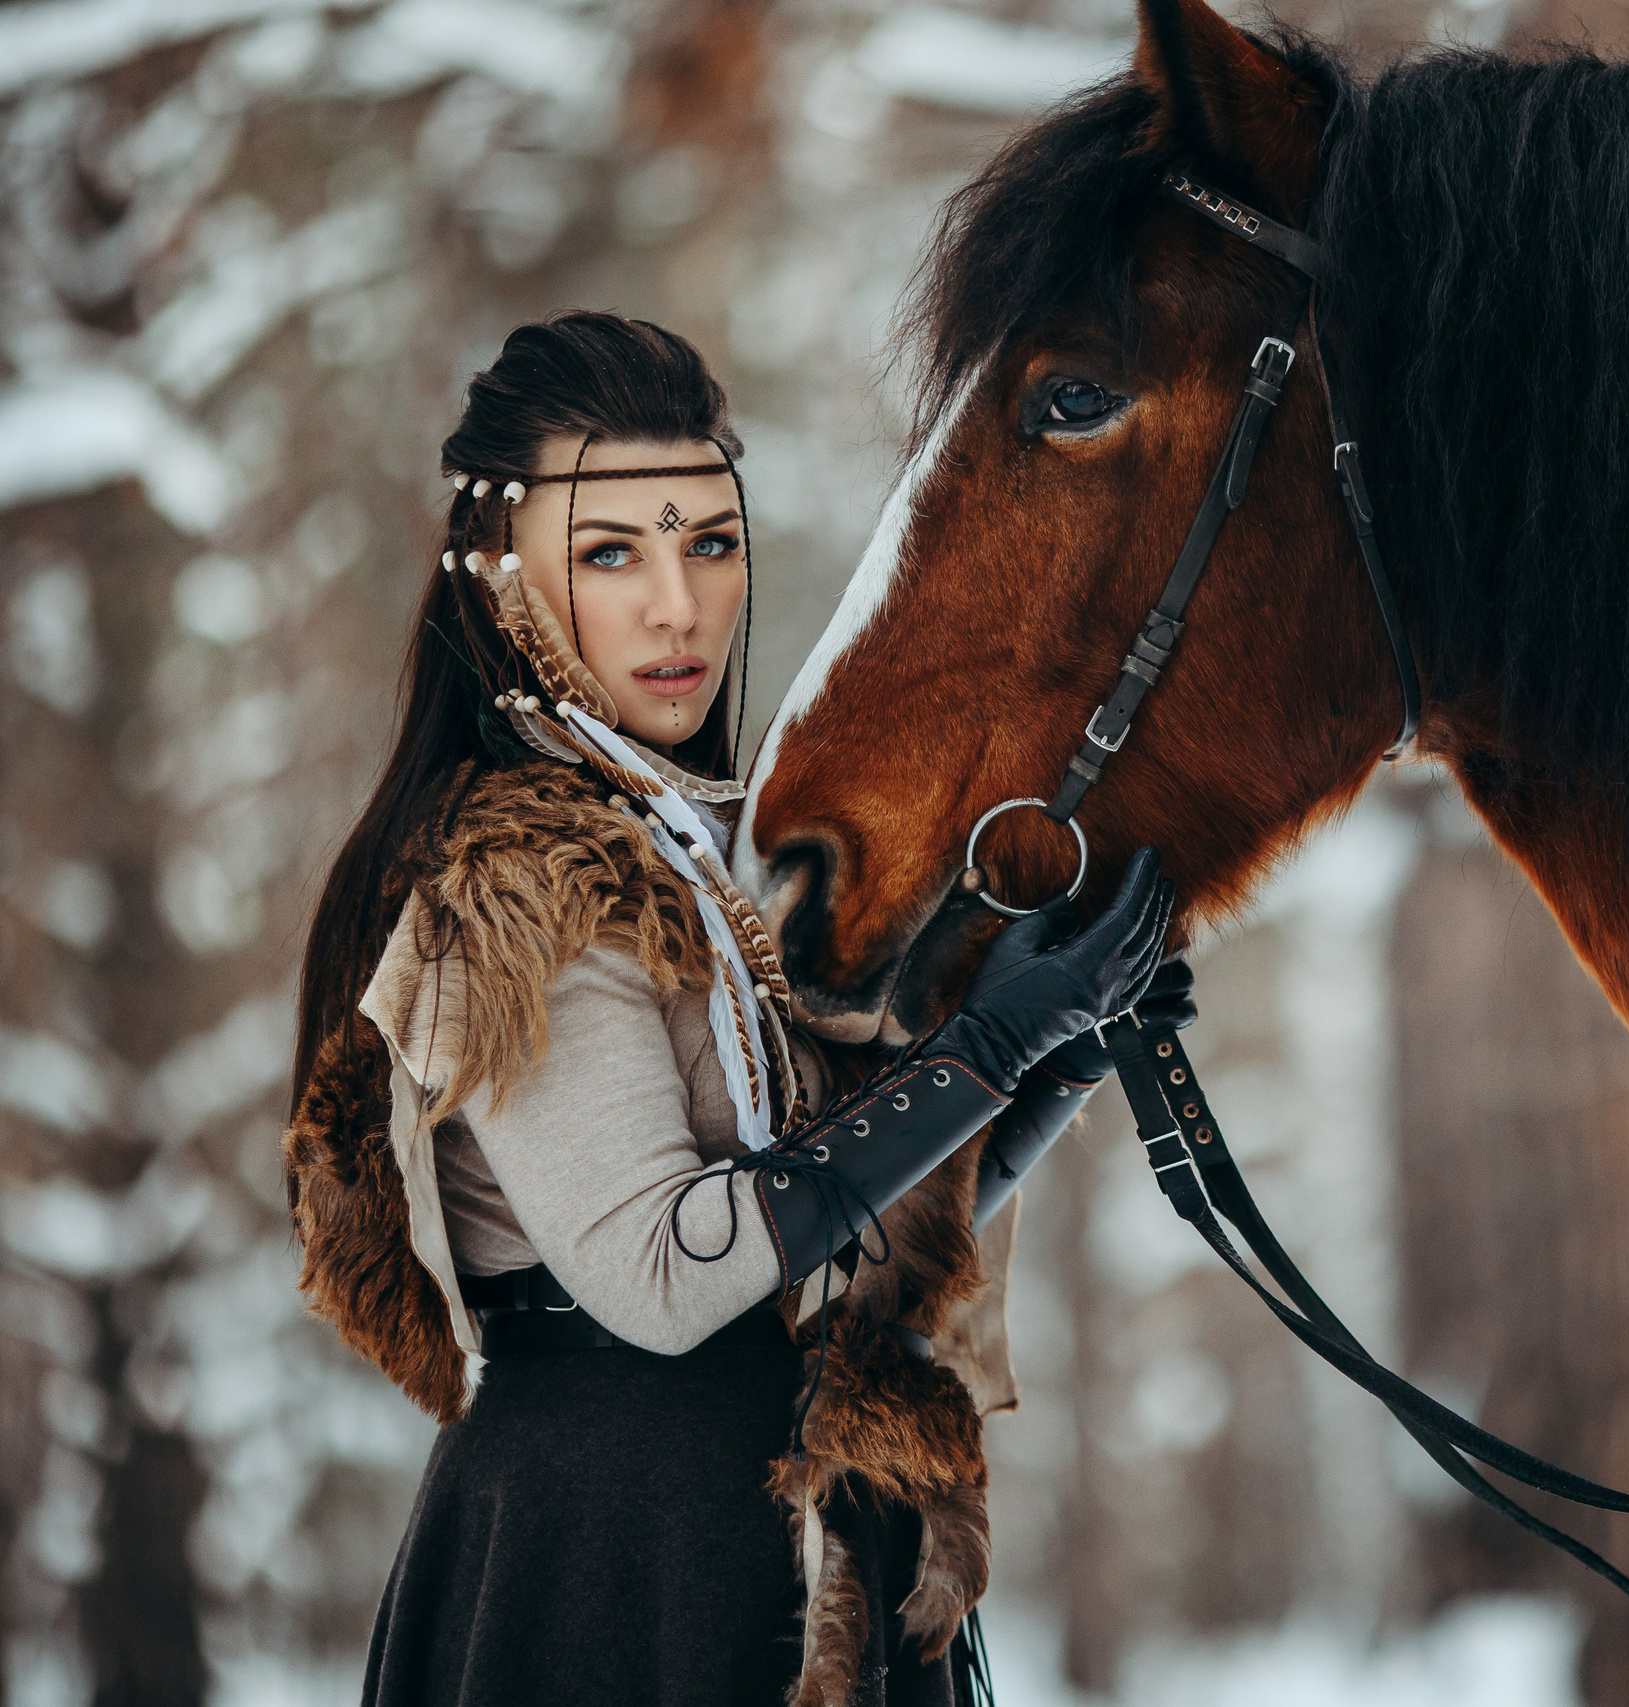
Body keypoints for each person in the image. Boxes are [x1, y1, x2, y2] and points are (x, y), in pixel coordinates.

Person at [283, 311, 1176, 1707]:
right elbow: (665, 1275)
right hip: (611, 1563)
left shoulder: (693, 863)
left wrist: (1053, 1049)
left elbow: (838, 1240)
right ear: (501, 582)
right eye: (609, 554)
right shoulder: (516, 886)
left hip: (783, 1536)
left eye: (707, 542)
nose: (677, 606)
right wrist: (985, 1047)